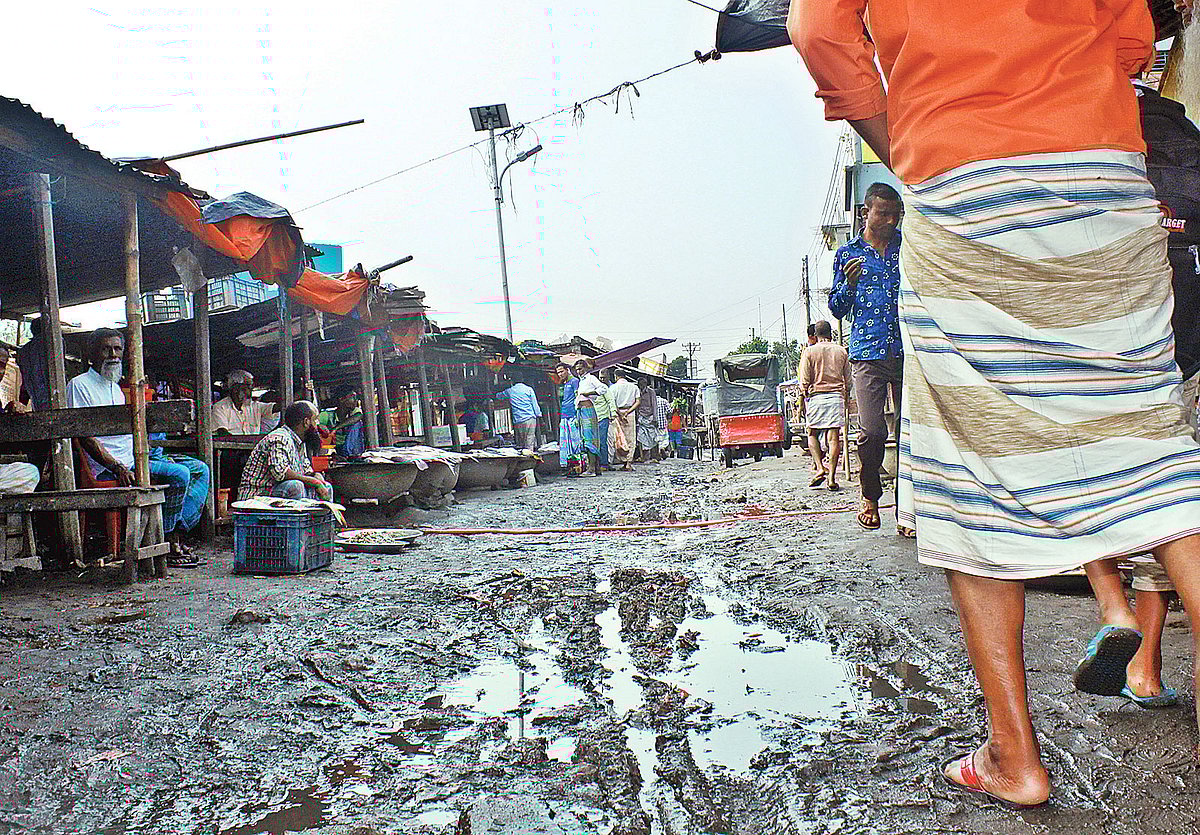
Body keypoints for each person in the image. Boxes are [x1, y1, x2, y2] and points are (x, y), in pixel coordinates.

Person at [792, 0, 1200, 808]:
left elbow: (818, 32)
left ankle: (1015, 756)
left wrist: (907, 139)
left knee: (968, 468)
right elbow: (1128, 33)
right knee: (1151, 443)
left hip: (963, 174)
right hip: (1109, 176)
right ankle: (1116, 616)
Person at [66, 328, 211, 565]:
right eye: (106, 349)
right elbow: (85, 438)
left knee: (200, 470)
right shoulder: (80, 385)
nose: (113, 354)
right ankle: (166, 542)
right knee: (180, 475)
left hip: (134, 458)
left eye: (117, 349)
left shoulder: (115, 386)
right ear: (93, 354)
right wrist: (117, 467)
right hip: (110, 466)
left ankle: (170, 533)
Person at [827, 182, 905, 534]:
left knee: (912, 435)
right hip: (868, 353)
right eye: (883, 214)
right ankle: (870, 495)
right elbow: (837, 309)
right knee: (872, 432)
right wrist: (850, 284)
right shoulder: (847, 254)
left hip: (909, 349)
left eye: (896, 215)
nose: (890, 221)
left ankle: (909, 511)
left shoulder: (907, 246)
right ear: (866, 213)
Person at [240, 401, 332, 500]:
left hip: (275, 493)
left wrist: (316, 476)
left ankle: (320, 516)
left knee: (326, 487)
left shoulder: (299, 443)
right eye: (315, 420)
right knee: (296, 486)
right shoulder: (279, 438)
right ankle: (297, 516)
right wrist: (314, 482)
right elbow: (280, 473)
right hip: (258, 496)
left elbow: (306, 471)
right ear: (306, 422)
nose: (317, 425)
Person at [800, 320, 850, 491]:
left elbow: (804, 380)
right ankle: (831, 478)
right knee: (834, 437)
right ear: (831, 333)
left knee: (811, 432)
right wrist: (847, 396)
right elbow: (848, 379)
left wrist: (804, 393)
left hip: (816, 397)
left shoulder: (809, 352)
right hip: (836, 397)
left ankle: (820, 467)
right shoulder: (841, 350)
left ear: (816, 334)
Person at [574, 359, 612, 475]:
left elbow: (603, 388)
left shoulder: (591, 378)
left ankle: (591, 468)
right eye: (577, 370)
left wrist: (589, 393)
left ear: (586, 368)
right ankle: (596, 468)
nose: (579, 371)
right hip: (582, 411)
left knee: (590, 440)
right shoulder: (581, 381)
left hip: (588, 411)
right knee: (587, 439)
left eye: (580, 369)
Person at [212, 370, 276, 435]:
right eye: (248, 387)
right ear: (236, 389)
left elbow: (275, 408)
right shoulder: (220, 407)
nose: (250, 390)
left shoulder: (255, 406)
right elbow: (222, 433)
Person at [318, 384, 365, 457]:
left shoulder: (354, 412)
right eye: (353, 397)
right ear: (342, 399)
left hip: (349, 450)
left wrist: (336, 428)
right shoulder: (327, 414)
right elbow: (314, 422)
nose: (356, 400)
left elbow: (358, 417)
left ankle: (352, 455)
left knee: (357, 424)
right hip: (333, 450)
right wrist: (321, 426)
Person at [496, 377, 542, 450]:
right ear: (522, 380)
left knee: (521, 442)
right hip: (530, 419)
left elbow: (498, 396)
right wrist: (538, 414)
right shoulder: (529, 389)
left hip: (518, 420)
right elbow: (534, 404)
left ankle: (524, 457)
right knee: (530, 440)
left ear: (512, 381)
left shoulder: (510, 391)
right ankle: (529, 457)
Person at [608, 369, 640, 471]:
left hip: (618, 414)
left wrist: (621, 414)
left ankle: (623, 461)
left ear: (616, 376)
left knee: (619, 438)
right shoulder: (634, 387)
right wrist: (627, 412)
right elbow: (638, 402)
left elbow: (612, 402)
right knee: (631, 438)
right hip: (630, 413)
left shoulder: (613, 388)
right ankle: (629, 463)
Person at [556, 363, 584, 474]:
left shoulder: (575, 381)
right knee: (565, 443)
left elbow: (578, 398)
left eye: (561, 371)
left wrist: (578, 415)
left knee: (575, 443)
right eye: (558, 372)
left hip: (573, 416)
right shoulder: (565, 383)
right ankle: (568, 467)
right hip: (564, 416)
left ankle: (577, 466)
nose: (560, 374)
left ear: (567, 370)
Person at [16, 318, 49, 412]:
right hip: (53, 401)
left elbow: (24, 385)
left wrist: (22, 404)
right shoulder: (55, 343)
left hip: (37, 403)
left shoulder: (23, 351)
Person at [636, 379, 659, 462]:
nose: (641, 386)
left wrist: (655, 418)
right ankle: (643, 457)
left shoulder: (651, 392)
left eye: (642, 384)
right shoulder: (637, 391)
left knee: (653, 438)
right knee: (641, 438)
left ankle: (655, 457)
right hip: (641, 417)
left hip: (650, 417)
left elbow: (654, 405)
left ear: (645, 384)